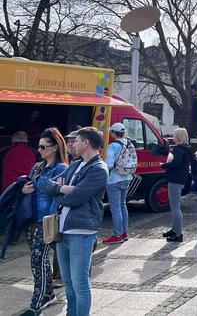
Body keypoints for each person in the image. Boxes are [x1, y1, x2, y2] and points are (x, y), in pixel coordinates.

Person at [42, 127, 109, 316]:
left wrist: (60, 191)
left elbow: (76, 197)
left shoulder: (98, 169)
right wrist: (65, 188)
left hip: (81, 232)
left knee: (80, 283)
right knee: (68, 283)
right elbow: (46, 184)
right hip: (63, 231)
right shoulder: (75, 165)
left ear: (86, 143)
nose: (72, 144)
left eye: (76, 141)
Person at [19, 128, 69, 316]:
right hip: (32, 219)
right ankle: (47, 294)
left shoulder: (61, 169)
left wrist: (50, 221)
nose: (39, 150)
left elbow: (58, 196)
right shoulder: (37, 167)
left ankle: (37, 301)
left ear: (54, 147)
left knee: (37, 260)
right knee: (39, 261)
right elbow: (31, 188)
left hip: (46, 220)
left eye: (43, 146)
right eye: (38, 146)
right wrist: (24, 188)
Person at [102, 123, 132, 244]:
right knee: (122, 205)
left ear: (114, 133)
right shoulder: (129, 143)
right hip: (127, 177)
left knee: (115, 208)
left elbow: (109, 165)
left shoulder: (113, 146)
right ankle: (124, 232)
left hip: (114, 179)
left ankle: (117, 234)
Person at [161, 128, 192, 242]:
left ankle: (178, 233)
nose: (173, 137)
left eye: (174, 135)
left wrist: (164, 165)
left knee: (175, 208)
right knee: (175, 207)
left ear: (178, 137)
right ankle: (174, 229)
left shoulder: (178, 149)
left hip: (175, 180)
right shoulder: (186, 149)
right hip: (181, 180)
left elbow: (176, 163)